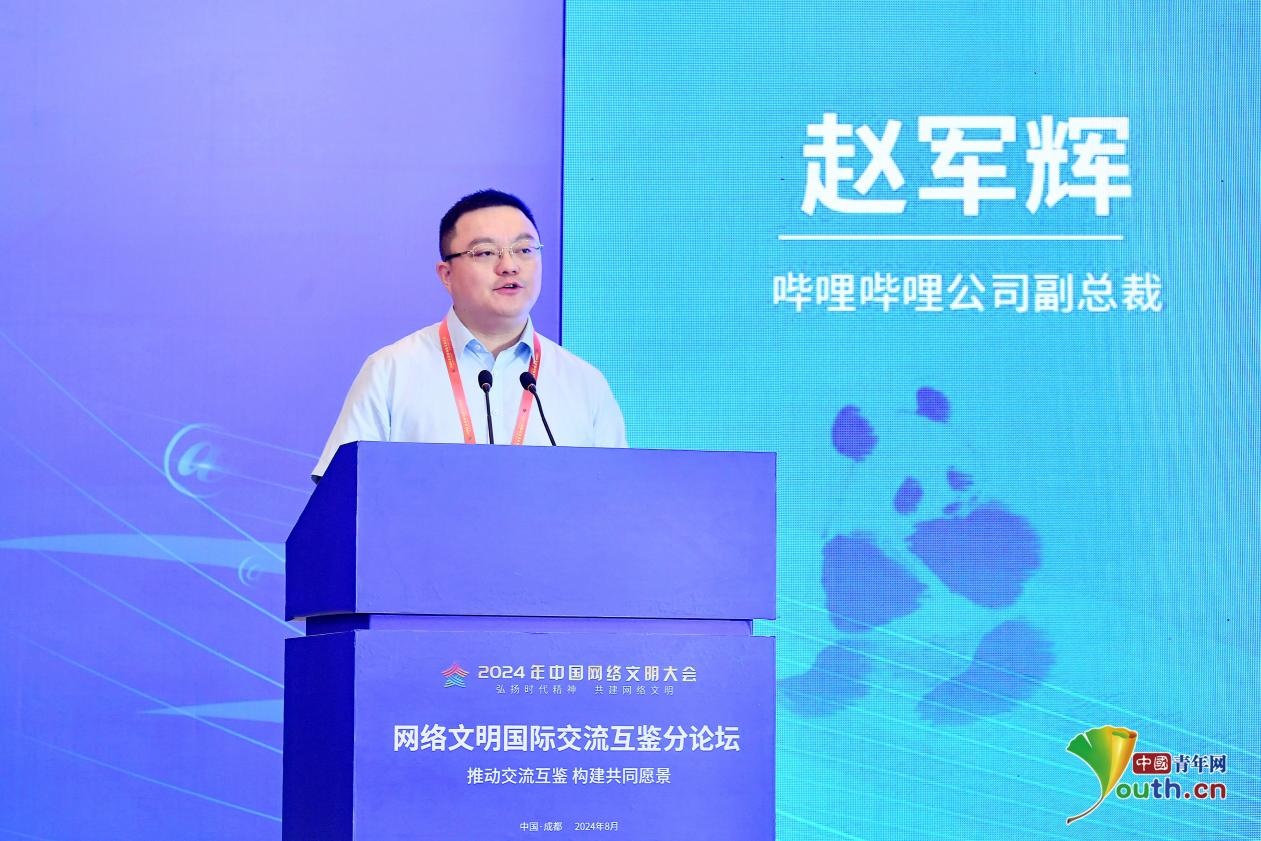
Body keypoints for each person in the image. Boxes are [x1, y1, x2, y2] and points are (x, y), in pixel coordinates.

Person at [312, 189, 626, 480]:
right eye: (486, 252)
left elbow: (615, 497)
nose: (509, 266)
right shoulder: (391, 371)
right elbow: (341, 494)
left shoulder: (584, 383)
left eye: (524, 249)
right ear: (446, 275)